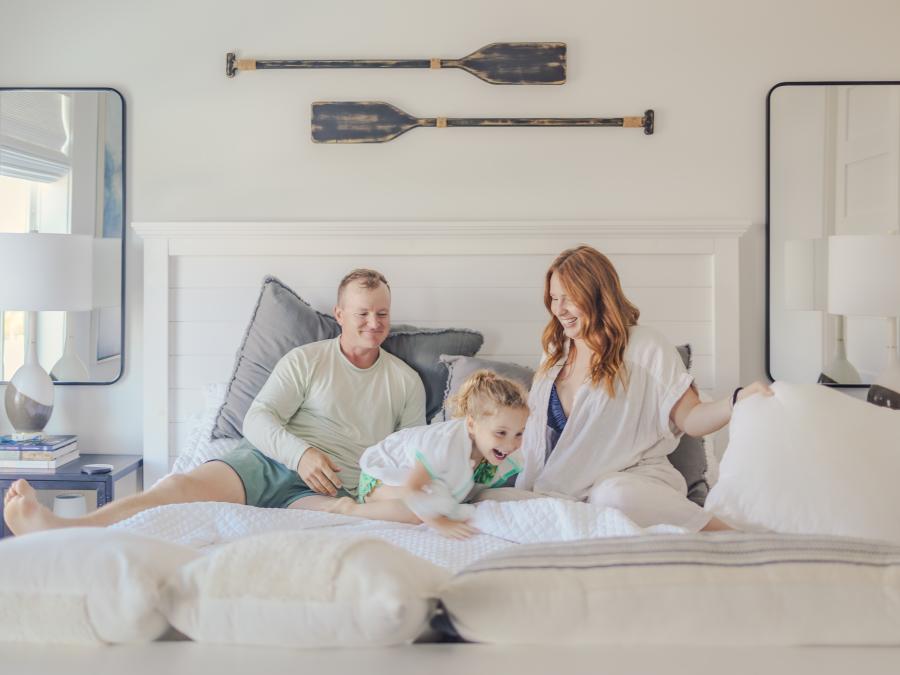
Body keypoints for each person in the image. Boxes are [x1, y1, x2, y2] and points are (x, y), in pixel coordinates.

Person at [4, 269, 426, 536]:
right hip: (268, 463)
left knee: (359, 513)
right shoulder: (307, 359)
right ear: (339, 313)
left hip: (338, 488)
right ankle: (66, 530)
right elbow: (258, 419)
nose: (374, 324)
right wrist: (301, 455)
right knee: (177, 487)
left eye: (382, 314)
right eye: (363, 313)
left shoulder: (404, 381)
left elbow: (408, 453)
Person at [515, 245, 772, 531]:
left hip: (636, 482)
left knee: (614, 495)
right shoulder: (554, 352)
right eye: (553, 298)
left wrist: (735, 401)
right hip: (562, 487)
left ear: (597, 296)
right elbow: (536, 441)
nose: (559, 309)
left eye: (569, 298)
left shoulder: (644, 347)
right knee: (493, 500)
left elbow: (691, 418)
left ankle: (727, 533)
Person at [332, 370, 529, 539]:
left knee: (441, 503)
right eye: (500, 433)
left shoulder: (493, 449)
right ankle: (349, 508)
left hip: (422, 482)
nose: (511, 444)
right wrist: (440, 523)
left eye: (519, 433)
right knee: (420, 511)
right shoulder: (445, 445)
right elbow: (413, 489)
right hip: (381, 477)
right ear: (471, 424)